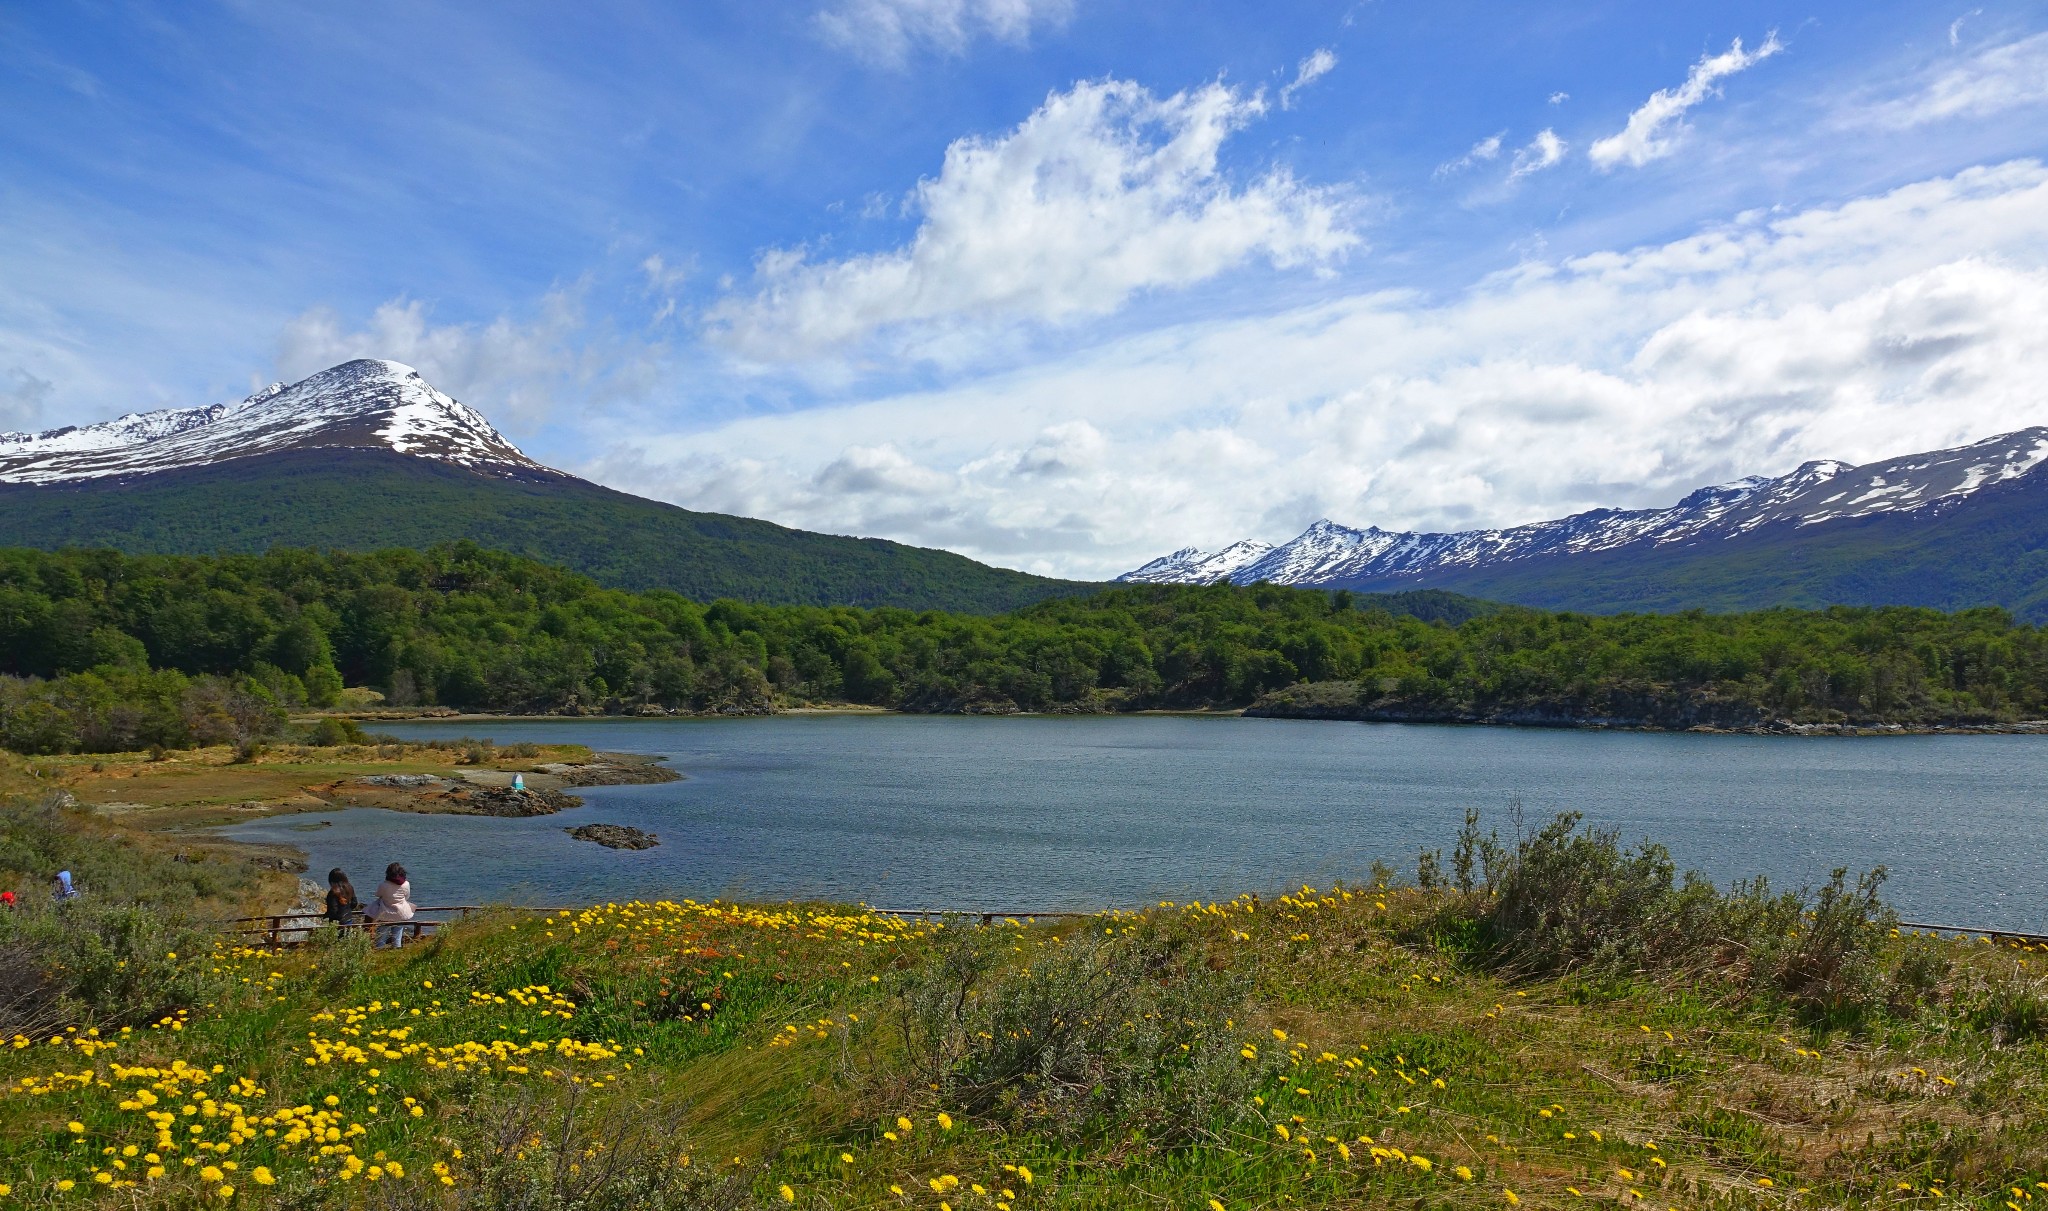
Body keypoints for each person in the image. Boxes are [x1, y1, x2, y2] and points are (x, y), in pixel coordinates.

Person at [368, 863, 415, 949]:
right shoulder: (406, 884)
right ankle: (397, 949)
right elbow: (407, 897)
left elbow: (378, 894)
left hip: (385, 913)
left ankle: (380, 949)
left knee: (382, 934)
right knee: (398, 934)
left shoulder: (383, 884)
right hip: (401, 913)